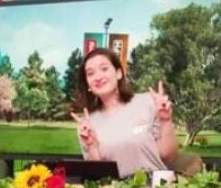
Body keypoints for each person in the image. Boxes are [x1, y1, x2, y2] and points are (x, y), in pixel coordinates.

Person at [70, 47, 178, 178]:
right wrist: (92, 145)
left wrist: (166, 120)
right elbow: (96, 176)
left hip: (157, 186)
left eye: (104, 69)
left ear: (119, 73)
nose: (98, 77)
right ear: (88, 84)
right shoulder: (87, 125)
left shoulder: (148, 102)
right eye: (90, 73)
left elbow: (169, 156)